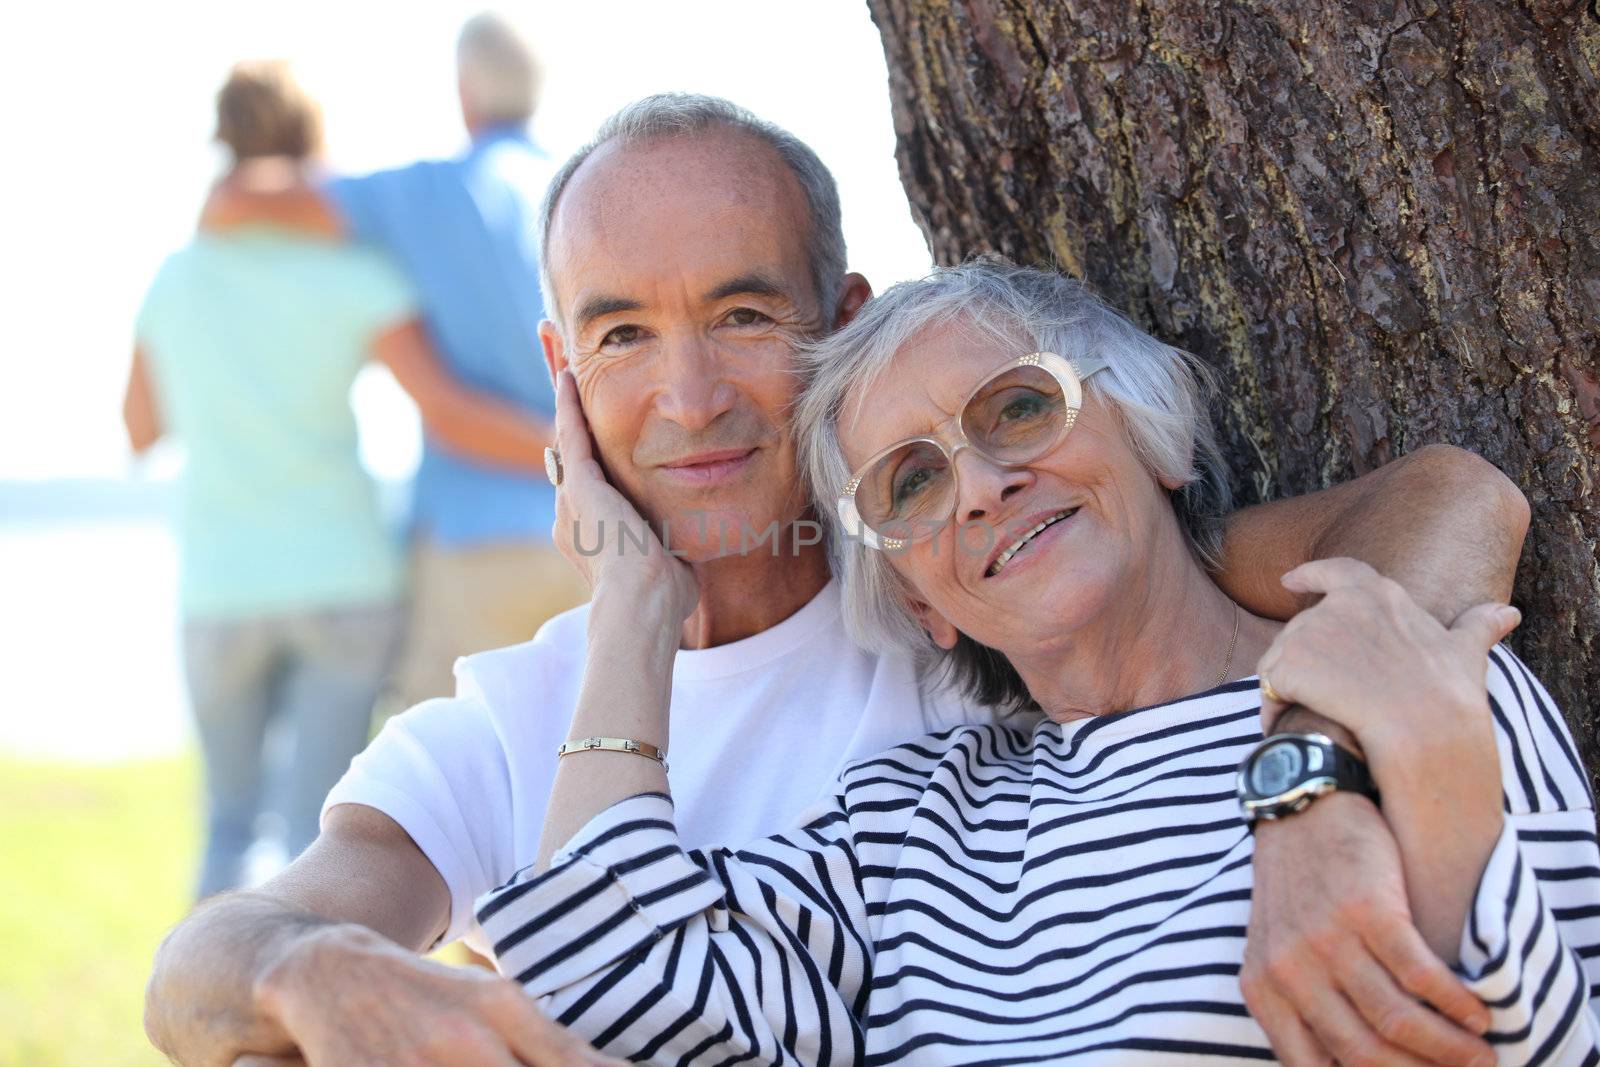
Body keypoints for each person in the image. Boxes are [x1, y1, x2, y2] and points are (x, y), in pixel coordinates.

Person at [145, 95, 1532, 1067]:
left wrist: (1320, 787)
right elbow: (208, 963)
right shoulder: (519, 718)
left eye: (743, 314)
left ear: (842, 324)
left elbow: (1444, 504)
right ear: (563, 377)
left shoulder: (992, 580)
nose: (688, 397)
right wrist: (309, 972)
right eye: (623, 336)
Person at [483, 261, 1599, 1064]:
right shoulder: (908, 825)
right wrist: (634, 603)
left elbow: (1545, 1039)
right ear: (921, 602)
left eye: (1018, 408)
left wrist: (1323, 794)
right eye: (910, 484)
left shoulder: (1409, 661)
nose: (976, 484)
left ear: (1149, 431)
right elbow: (603, 976)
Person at [122, 61, 556, 898]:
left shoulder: (176, 279)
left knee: (228, 818)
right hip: (346, 579)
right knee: (316, 823)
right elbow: (446, 407)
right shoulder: (362, 279)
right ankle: (315, 1019)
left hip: (219, 584)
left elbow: (140, 430)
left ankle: (223, 1017)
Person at [200, 12, 586, 709]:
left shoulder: (426, 193)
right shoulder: (584, 189)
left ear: (464, 91)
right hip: (598, 539)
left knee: (445, 780)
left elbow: (238, 199)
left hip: (474, 546)